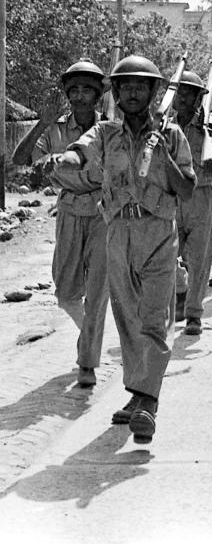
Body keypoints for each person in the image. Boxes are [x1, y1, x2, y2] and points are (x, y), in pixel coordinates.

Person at [54, 55, 196, 444]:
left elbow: (186, 188)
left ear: (153, 93)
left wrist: (165, 156)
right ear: (115, 93)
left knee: (153, 319)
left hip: (157, 235)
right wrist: (69, 157)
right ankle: (138, 392)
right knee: (128, 320)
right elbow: (79, 151)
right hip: (116, 233)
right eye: (126, 86)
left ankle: (149, 401)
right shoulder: (104, 133)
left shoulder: (173, 135)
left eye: (141, 86)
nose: (133, 92)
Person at [12, 61, 109, 388]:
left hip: (103, 212)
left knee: (97, 290)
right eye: (75, 90)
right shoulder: (55, 130)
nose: (80, 96)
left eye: (87, 90)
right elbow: (18, 160)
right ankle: (91, 334)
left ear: (97, 95)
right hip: (68, 210)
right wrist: (42, 123)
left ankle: (88, 361)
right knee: (66, 292)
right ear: (68, 95)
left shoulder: (110, 129)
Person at [172, 70, 212, 336]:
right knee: (165, 254)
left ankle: (194, 314)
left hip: (201, 196)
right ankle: (180, 290)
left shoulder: (211, 127)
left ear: (199, 98)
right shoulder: (165, 126)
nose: (183, 98)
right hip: (171, 196)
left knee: (199, 260)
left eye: (189, 93)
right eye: (180, 92)